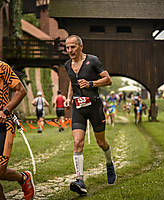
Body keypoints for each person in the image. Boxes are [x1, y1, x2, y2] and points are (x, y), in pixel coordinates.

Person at [64, 35, 116, 196]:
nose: (70, 51)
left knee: (101, 142)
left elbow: (108, 80)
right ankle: (80, 180)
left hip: (95, 107)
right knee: (77, 142)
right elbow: (72, 83)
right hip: (78, 108)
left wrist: (91, 83)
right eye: (67, 48)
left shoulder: (93, 60)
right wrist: (68, 98)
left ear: (80, 46)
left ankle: (109, 163)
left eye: (72, 47)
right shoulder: (67, 65)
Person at [0, 59, 35, 200]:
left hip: (3, 125)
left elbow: (21, 90)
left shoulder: (0, 67)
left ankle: (24, 178)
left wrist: (5, 110)